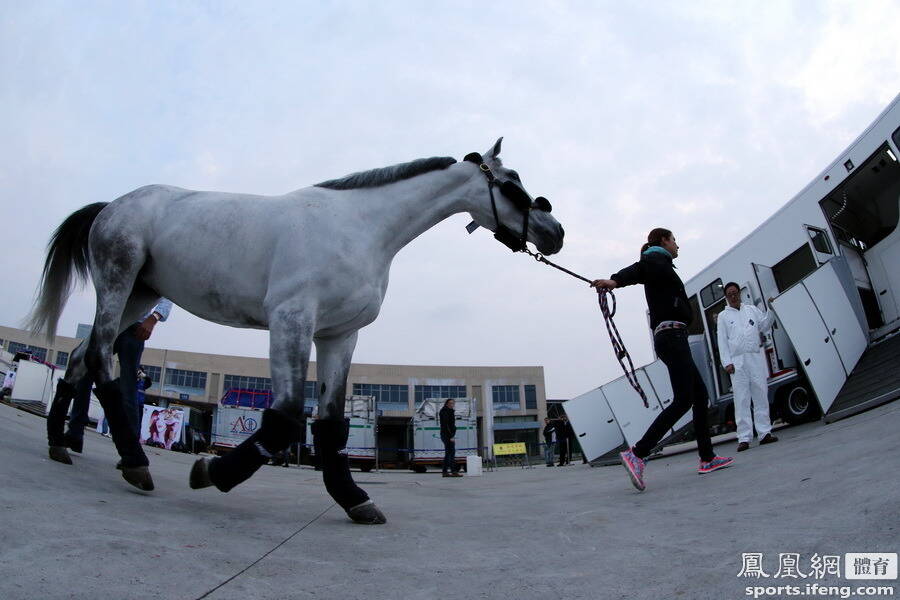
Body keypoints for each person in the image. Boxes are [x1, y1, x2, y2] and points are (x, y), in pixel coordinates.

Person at [592, 228, 733, 491]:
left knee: (699, 397)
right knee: (684, 400)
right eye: (674, 240)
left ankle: (707, 458)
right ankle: (638, 453)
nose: (677, 245)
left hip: (674, 335)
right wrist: (614, 281)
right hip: (671, 336)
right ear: (663, 241)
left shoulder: (661, 263)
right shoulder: (654, 260)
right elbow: (638, 270)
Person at [62, 299, 173, 455]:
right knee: (85, 371)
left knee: (129, 386)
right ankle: (75, 431)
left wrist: (154, 317)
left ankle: (131, 448)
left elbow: (166, 295)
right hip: (110, 323)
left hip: (135, 328)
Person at [716, 282, 779, 452]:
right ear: (726, 297)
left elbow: (764, 325)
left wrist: (771, 310)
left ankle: (765, 433)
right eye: (730, 294)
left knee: (760, 394)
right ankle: (744, 437)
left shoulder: (751, 310)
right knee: (741, 399)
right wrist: (727, 362)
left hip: (754, 357)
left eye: (735, 292)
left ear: (739, 293)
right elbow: (721, 340)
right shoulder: (723, 316)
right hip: (737, 362)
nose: (733, 296)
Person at [439, 398, 462, 477]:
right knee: (451, 453)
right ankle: (453, 471)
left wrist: (453, 432)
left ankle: (445, 472)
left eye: (453, 403)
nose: (452, 404)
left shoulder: (450, 411)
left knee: (449, 453)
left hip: (448, 435)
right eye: (451, 403)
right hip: (446, 435)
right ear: (447, 404)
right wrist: (451, 436)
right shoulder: (444, 411)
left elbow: (451, 424)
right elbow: (446, 425)